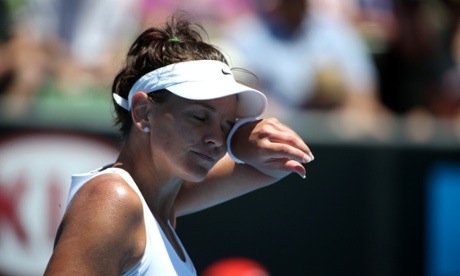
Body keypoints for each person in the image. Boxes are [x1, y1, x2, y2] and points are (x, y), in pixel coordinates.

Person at [44, 14, 314, 275]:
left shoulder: (161, 204)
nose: (216, 139)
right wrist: (234, 136)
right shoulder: (113, 200)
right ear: (142, 112)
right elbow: (274, 164)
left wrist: (238, 136)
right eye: (199, 117)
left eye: (226, 124)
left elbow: (277, 164)